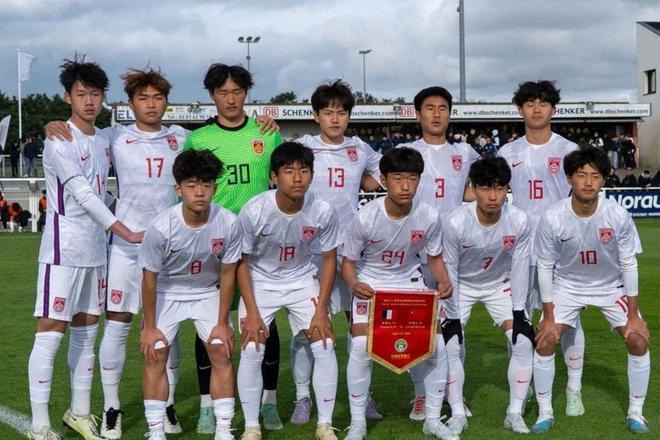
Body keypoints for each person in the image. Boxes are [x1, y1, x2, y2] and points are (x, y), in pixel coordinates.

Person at [27, 55, 143, 440]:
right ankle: (39, 425)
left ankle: (79, 412)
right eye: (81, 94)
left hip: (96, 252)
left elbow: (106, 186)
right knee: (50, 333)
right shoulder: (58, 140)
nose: (89, 101)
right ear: (67, 97)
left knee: (87, 333)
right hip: (63, 251)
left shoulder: (106, 138)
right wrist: (124, 229)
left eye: (95, 93)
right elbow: (82, 193)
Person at [184, 63, 284, 432]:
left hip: (259, 245)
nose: (231, 99)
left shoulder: (267, 134)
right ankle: (207, 404)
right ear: (212, 95)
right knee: (211, 322)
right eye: (223, 92)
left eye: (237, 91)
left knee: (264, 322)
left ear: (246, 93)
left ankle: (269, 401)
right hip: (214, 243)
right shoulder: (198, 139)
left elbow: (280, 182)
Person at [531, 147, 650, 434]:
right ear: (569, 178)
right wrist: (549, 317)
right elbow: (544, 266)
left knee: (637, 340)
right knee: (545, 340)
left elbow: (629, 264)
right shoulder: (553, 217)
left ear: (604, 180)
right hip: (567, 285)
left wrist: (633, 316)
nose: (588, 182)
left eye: (595, 176)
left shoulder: (617, 215)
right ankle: (545, 412)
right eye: (581, 175)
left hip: (610, 286)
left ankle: (636, 413)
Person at [341, 147, 457, 440]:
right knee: (360, 347)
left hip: (409, 281)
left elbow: (434, 258)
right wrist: (354, 284)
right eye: (397, 178)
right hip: (372, 283)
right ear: (383, 180)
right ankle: (358, 423)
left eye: (412, 178)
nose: (405, 186)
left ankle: (432, 419)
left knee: (437, 347)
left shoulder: (429, 216)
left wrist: (444, 281)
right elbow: (348, 263)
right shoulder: (365, 218)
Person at [292, 80, 382, 424]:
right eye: (328, 112)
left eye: (341, 112)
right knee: (309, 329)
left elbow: (381, 176)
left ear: (349, 116)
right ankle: (303, 397)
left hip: (351, 253)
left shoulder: (360, 148)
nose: (335, 118)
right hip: (311, 253)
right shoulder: (303, 147)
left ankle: (363, 395)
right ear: (316, 116)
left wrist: (372, 181)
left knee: (358, 327)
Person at [236, 142, 340, 440]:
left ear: (312, 175)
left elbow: (330, 258)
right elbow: (241, 262)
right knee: (252, 348)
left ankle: (325, 425)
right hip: (260, 282)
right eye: (289, 171)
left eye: (304, 170)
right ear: (274, 177)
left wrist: (321, 310)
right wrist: (252, 312)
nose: (297, 177)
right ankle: (251, 427)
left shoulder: (323, 210)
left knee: (324, 342)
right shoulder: (254, 210)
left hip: (301, 280)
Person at [138, 149, 241, 440]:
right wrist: (149, 327)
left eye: (206, 185)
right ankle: (155, 431)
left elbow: (228, 274)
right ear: (178, 189)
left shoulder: (228, 222)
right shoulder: (161, 227)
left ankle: (224, 430)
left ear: (215, 188)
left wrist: (222, 322)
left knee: (221, 349)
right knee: (156, 353)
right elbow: (149, 279)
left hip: (206, 291)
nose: (199, 192)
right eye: (192, 185)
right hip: (166, 292)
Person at [497, 80, 585, 417]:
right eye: (530, 103)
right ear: (520, 110)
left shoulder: (569, 150)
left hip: (560, 252)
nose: (537, 109)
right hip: (519, 251)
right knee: (520, 321)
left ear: (553, 109)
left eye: (543, 103)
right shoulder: (508, 153)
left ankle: (573, 389)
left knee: (568, 321)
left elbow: (581, 200)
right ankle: (527, 389)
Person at [398, 86, 480, 421]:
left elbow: (480, 187)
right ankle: (421, 394)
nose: (436, 114)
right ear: (418, 114)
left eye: (443, 108)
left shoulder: (465, 152)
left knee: (454, 328)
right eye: (429, 108)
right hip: (415, 256)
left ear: (449, 113)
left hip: (454, 255)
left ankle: (454, 395)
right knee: (419, 329)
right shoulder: (406, 152)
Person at [442, 156, 533, 435]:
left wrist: (519, 312)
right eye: (485, 188)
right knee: (450, 343)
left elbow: (520, 267)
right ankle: (457, 412)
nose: (493, 196)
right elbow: (449, 269)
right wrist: (452, 316)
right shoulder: (456, 222)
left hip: (499, 285)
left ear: (507, 189)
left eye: (499, 188)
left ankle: (514, 413)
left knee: (523, 341)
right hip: (461, 286)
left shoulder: (519, 220)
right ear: (473, 188)